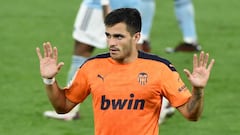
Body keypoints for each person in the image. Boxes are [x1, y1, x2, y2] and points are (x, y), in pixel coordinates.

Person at [36, 8, 215, 134]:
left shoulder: (160, 69)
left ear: (136, 37)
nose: (112, 43)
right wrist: (49, 81)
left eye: (119, 36)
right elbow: (63, 107)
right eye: (108, 36)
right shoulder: (92, 67)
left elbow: (191, 115)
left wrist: (198, 91)